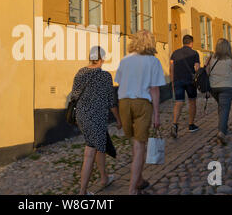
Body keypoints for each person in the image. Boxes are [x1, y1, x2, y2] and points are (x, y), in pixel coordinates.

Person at [115, 30, 165, 195]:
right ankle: (132, 189)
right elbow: (155, 89)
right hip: (142, 103)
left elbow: (120, 82)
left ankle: (140, 179)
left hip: (124, 103)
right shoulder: (153, 61)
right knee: (139, 146)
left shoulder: (125, 60)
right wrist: (157, 114)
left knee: (135, 144)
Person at [71, 46, 122, 195]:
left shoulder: (80, 73)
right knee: (90, 153)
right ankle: (83, 192)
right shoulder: (105, 76)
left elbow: (74, 96)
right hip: (96, 118)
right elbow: (111, 102)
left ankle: (104, 178)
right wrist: (118, 119)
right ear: (101, 59)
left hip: (81, 116)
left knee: (100, 145)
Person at [206, 38, 232, 145]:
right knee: (224, 108)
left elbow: (207, 72)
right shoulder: (231, 58)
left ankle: (223, 126)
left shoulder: (211, 58)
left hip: (214, 87)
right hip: (227, 87)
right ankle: (221, 132)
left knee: (221, 107)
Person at [169, 34, 200, 138]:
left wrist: (172, 81)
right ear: (191, 43)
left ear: (183, 42)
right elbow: (197, 68)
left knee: (179, 102)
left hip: (178, 80)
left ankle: (174, 124)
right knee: (192, 101)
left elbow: (171, 68)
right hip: (190, 81)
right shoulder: (194, 53)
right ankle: (191, 125)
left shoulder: (174, 53)